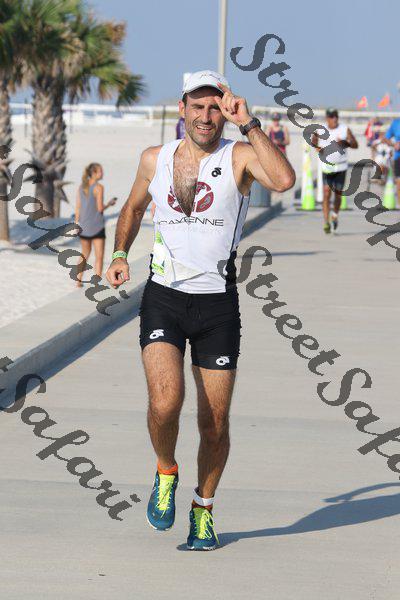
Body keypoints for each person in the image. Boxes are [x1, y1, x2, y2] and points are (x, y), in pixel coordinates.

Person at [106, 70, 295, 550]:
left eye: (215, 107)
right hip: (164, 298)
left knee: (215, 423)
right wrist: (120, 253)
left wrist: (249, 121)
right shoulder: (155, 159)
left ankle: (203, 509)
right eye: (198, 106)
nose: (206, 116)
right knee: (165, 403)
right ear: (182, 108)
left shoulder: (240, 156)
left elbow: (284, 179)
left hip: (217, 306)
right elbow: (131, 208)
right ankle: (165, 470)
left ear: (224, 110)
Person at [312, 108, 358, 234]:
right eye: (332, 117)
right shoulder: (321, 129)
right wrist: (318, 149)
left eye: (336, 116)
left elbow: (355, 144)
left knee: (338, 195)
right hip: (327, 166)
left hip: (341, 167)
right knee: (326, 193)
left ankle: (335, 216)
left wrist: (346, 143)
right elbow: (313, 140)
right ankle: (326, 222)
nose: (335, 119)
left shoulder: (344, 129)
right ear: (327, 118)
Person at [75, 163, 116, 287]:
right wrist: (109, 204)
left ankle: (78, 280)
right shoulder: (99, 187)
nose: (103, 173)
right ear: (93, 173)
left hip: (84, 226)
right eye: (100, 171)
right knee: (99, 256)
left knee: (84, 254)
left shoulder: (81, 187)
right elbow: (100, 208)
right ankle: (96, 283)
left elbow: (78, 207)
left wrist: (76, 223)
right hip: (97, 226)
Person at [385, 117, 400, 202]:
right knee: (399, 182)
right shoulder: (396, 123)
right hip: (398, 157)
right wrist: (394, 144)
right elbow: (386, 138)